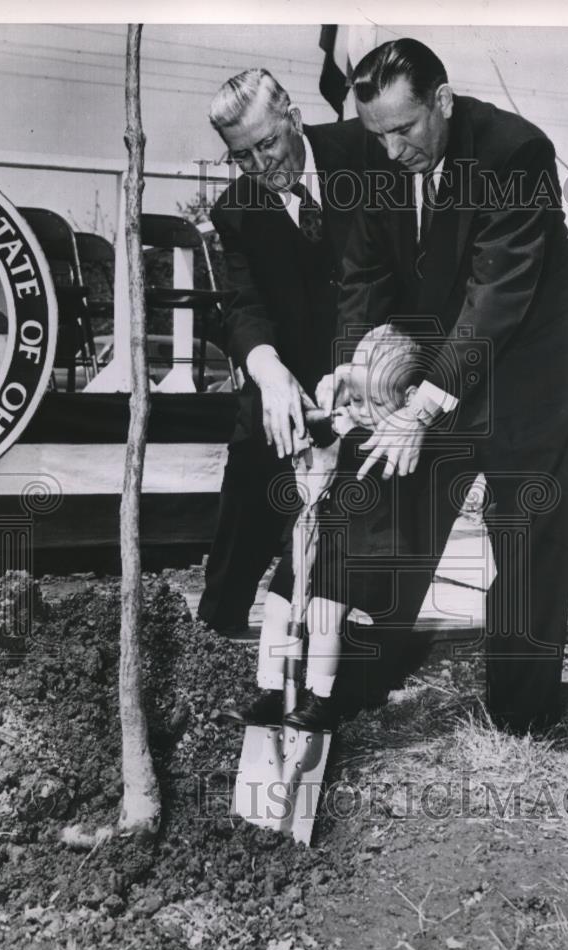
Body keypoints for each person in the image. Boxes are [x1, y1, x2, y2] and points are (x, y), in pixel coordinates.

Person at [333, 38, 568, 734]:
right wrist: (357, 363)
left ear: (441, 101)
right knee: (399, 517)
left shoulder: (514, 152)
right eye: (375, 134)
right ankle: (356, 685)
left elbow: (496, 294)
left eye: (403, 130)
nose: (389, 152)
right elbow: (362, 270)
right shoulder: (381, 155)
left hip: (523, 372)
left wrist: (423, 403)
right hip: (438, 372)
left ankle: (522, 714)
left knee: (524, 537)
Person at [197, 69, 367, 636]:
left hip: (374, 359)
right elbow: (243, 305)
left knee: (348, 518)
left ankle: (321, 626)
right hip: (288, 365)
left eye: (268, 143)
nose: (261, 166)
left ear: (293, 118)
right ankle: (216, 630)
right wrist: (268, 372)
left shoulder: (367, 153)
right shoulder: (236, 209)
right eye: (241, 156)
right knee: (251, 460)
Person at [223, 325, 426, 730]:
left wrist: (337, 428)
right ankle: (273, 690)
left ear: (405, 401)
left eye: (375, 403)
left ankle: (321, 699)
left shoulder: (394, 439)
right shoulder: (346, 417)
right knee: (278, 606)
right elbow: (322, 428)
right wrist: (313, 415)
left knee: (321, 616)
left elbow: (353, 445)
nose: (361, 409)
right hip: (309, 536)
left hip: (354, 549)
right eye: (357, 398)